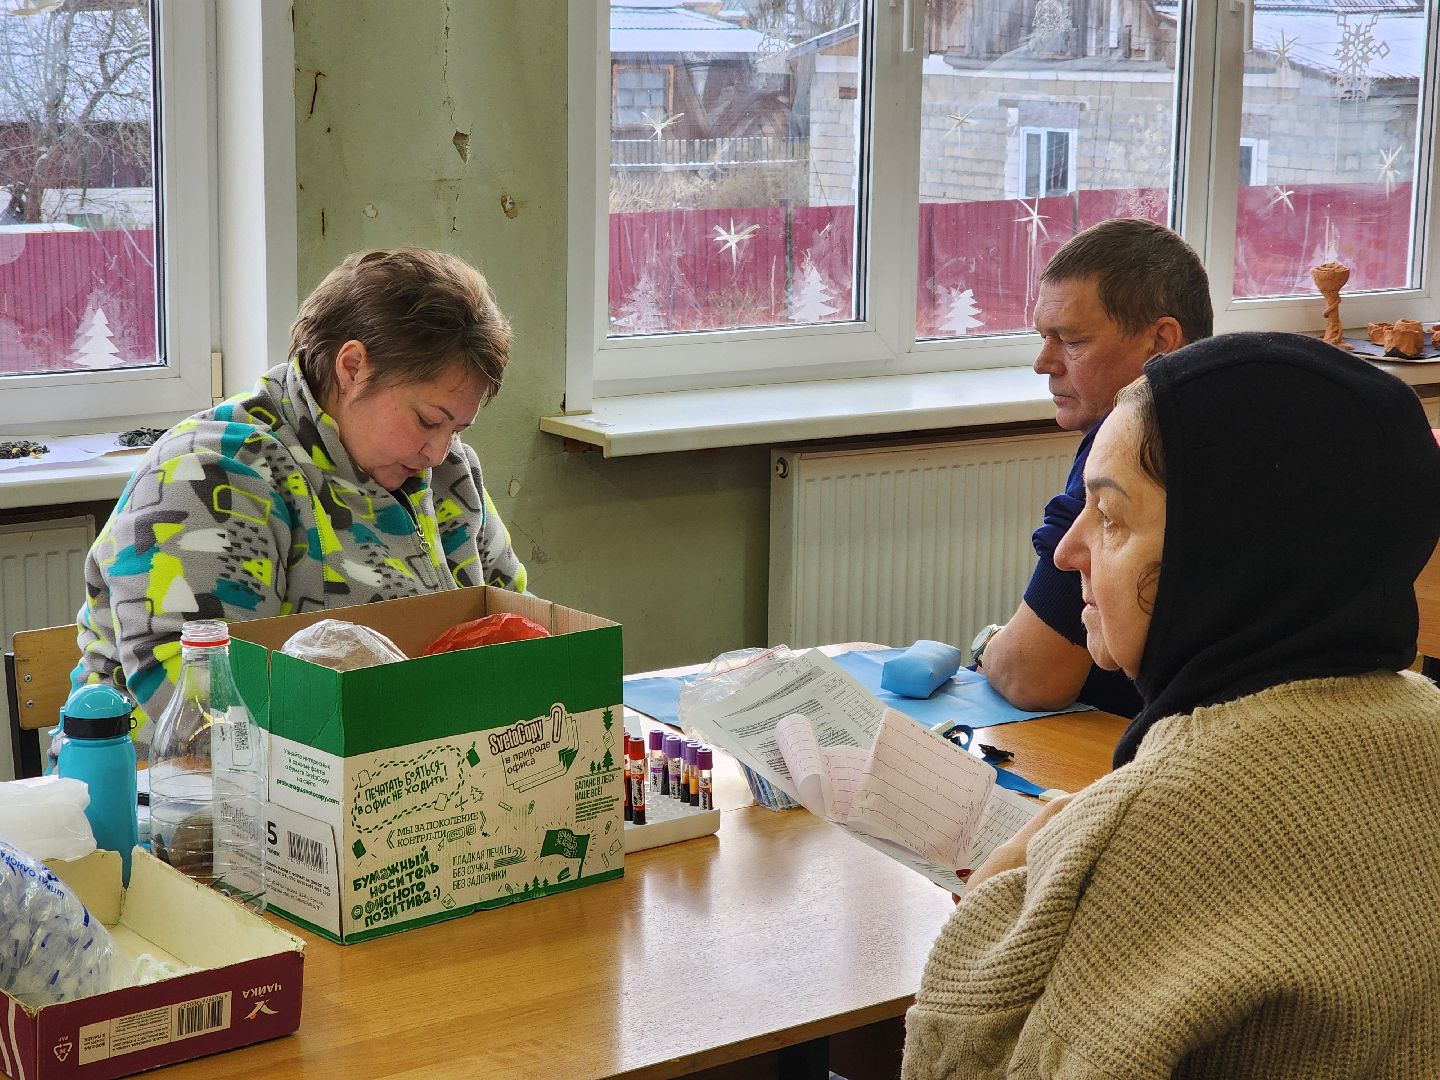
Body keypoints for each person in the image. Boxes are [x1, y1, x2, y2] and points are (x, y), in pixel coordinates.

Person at [902, 332, 1440, 1078]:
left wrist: (992, 905)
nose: (1068, 553)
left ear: (1225, 553)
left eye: (1112, 518)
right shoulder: (1425, 723)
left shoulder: (1164, 822)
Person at [72, 248, 527, 739]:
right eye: (428, 420)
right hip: (181, 791)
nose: (439, 451)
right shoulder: (212, 473)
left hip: (410, 774)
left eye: (456, 427)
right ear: (352, 367)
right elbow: (194, 706)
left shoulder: (448, 472)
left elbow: (519, 632)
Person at [973, 218, 1211, 719]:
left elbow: (1033, 676)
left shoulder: (1130, 445)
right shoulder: (1233, 420)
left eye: (1071, 341)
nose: (1044, 362)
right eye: (1044, 337)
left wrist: (986, 646)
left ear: (1161, 341)